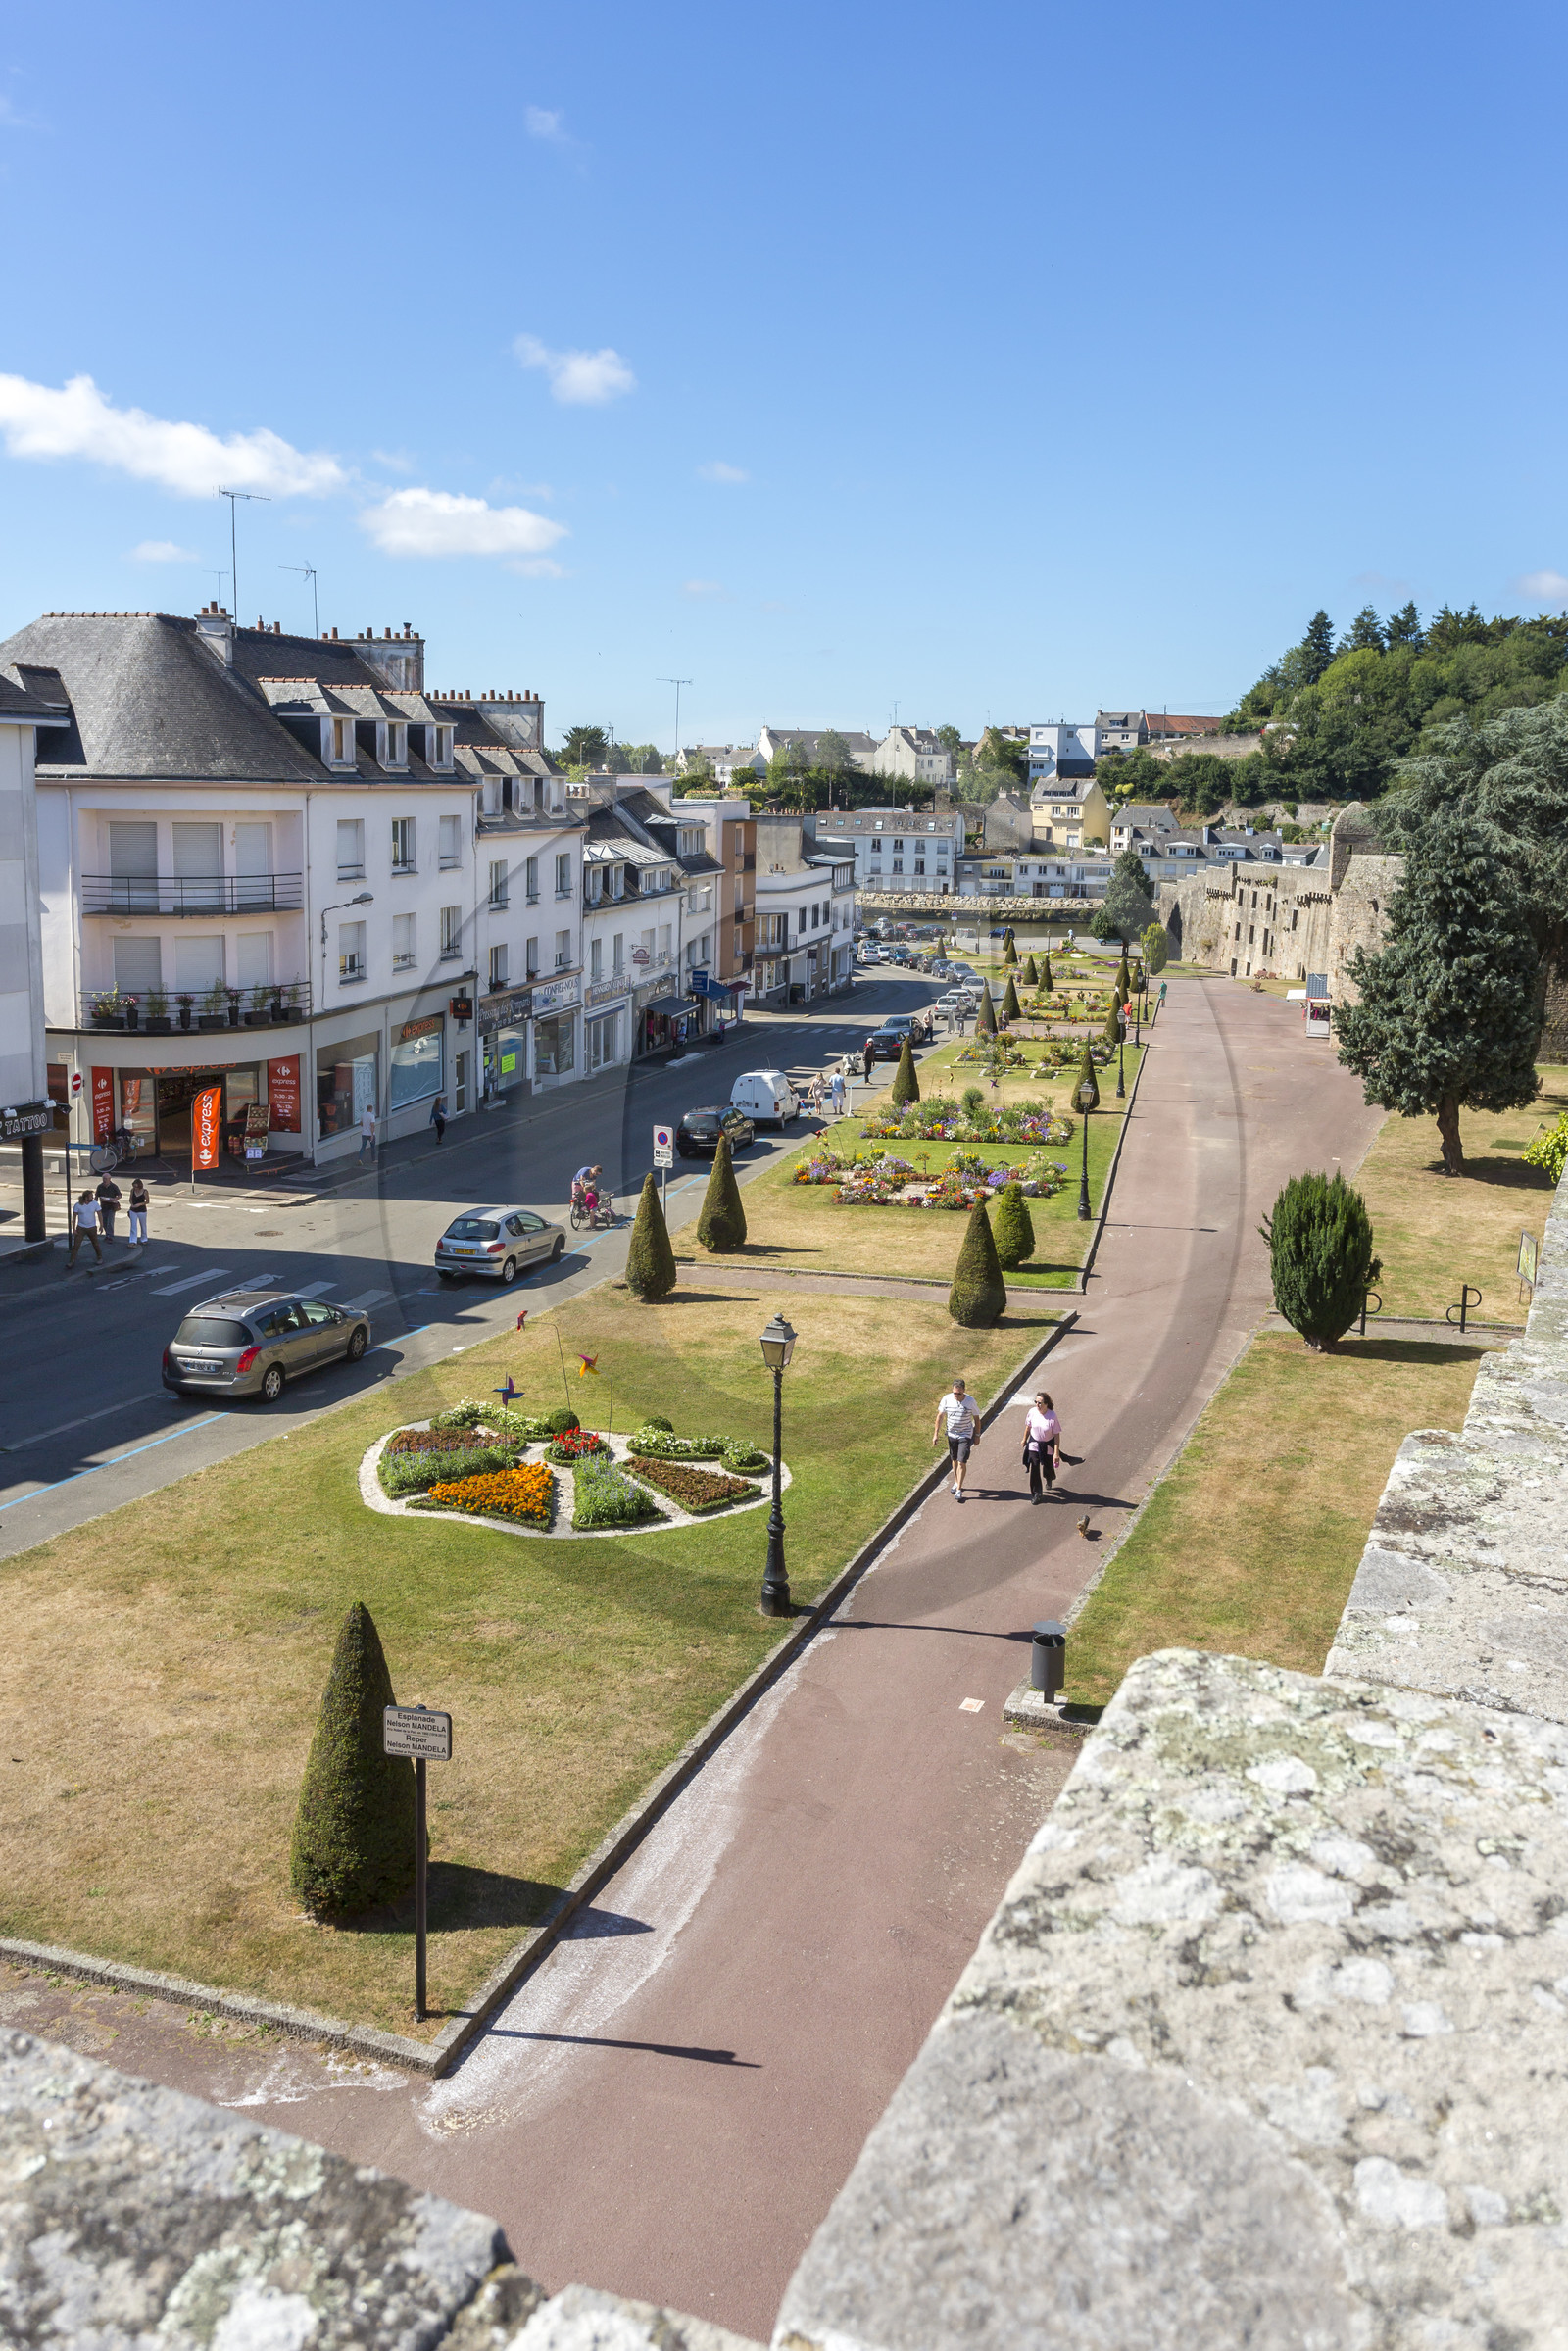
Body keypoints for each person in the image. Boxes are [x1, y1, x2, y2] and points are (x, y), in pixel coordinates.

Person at [932, 1376, 982, 1502]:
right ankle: (956, 1481)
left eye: (959, 1394)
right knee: (954, 1459)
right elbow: (940, 1416)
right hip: (951, 1434)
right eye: (955, 1393)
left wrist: (977, 1435)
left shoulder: (970, 1401)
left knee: (961, 1461)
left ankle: (959, 1489)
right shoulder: (947, 1399)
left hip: (965, 1435)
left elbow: (976, 1419)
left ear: (964, 1391)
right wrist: (936, 1434)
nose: (957, 1396)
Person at [1022, 1391, 1062, 1503]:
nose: (1037, 1405)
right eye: (1036, 1402)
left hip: (1047, 1445)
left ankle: (1049, 1477)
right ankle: (1036, 1494)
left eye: (1040, 1403)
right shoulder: (1032, 1412)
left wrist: (1056, 1453)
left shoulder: (1052, 1416)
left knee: (1048, 1465)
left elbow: (1057, 1435)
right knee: (1034, 1466)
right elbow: (1028, 1427)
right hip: (1034, 1444)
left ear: (1046, 1404)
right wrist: (1024, 1439)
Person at [67, 1190, 102, 1268]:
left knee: (95, 1243)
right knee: (76, 1245)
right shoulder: (78, 1205)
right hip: (81, 1227)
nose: (92, 1197)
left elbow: (99, 1214)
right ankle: (71, 1261)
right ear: (86, 1197)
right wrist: (74, 1229)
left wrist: (101, 1225)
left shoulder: (95, 1204)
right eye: (91, 1196)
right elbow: (74, 1217)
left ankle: (99, 1257)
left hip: (92, 1227)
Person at [94, 1170, 122, 1242]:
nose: (104, 1180)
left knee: (110, 1221)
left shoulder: (113, 1186)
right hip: (103, 1206)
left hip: (111, 1206)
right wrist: (94, 1205)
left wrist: (114, 1199)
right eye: (103, 1179)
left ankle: (110, 1236)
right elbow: (96, 1196)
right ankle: (107, 1234)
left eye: (106, 1179)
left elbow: (120, 1195)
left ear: (110, 1179)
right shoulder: (100, 1186)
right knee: (104, 1222)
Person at [127, 1173, 150, 1247]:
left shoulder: (145, 1191)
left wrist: (139, 1204)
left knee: (143, 1225)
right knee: (133, 1226)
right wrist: (132, 1204)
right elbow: (130, 1199)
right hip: (133, 1210)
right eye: (134, 1187)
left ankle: (144, 1239)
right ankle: (133, 1240)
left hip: (142, 1210)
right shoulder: (132, 1190)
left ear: (140, 1186)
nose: (135, 1188)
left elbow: (147, 1201)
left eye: (136, 1187)